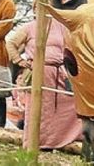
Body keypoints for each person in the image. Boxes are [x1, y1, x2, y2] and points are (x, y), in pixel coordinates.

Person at [7, 11, 82, 148]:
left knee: (67, 102)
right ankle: (35, 141)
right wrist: (19, 60)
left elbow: (70, 46)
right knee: (38, 107)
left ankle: (58, 139)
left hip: (59, 71)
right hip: (38, 71)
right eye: (41, 8)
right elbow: (11, 43)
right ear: (35, 10)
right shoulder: (29, 27)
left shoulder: (60, 27)